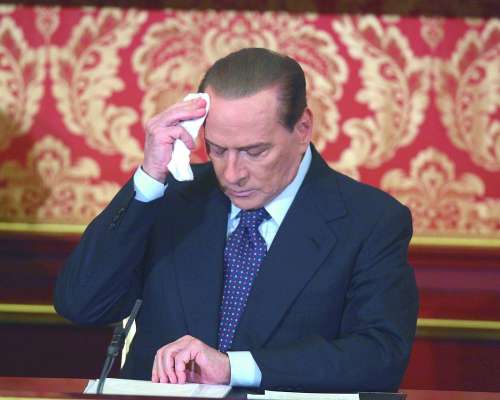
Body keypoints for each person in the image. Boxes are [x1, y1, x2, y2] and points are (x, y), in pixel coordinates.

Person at [54, 47, 418, 393]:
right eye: (216, 149)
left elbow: (380, 357)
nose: (232, 174)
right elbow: (82, 305)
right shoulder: (170, 199)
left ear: (302, 128)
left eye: (254, 151)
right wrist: (150, 179)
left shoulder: (371, 220)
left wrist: (235, 367)